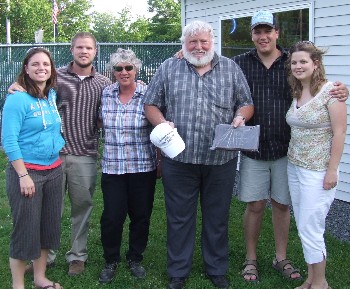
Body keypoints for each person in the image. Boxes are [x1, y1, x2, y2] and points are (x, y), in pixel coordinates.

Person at [232, 10, 349, 283]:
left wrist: (343, 91)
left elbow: (320, 89)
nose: (262, 36)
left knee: (282, 205)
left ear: (276, 33)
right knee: (255, 205)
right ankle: (251, 259)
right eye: (257, 32)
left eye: (267, 31)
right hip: (254, 149)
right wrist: (182, 53)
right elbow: (209, 63)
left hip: (288, 152)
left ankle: (281, 257)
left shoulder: (292, 62)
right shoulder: (239, 63)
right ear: (252, 35)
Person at [144, 20, 254, 289]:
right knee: (179, 217)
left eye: (203, 41)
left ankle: (216, 268)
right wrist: (161, 122)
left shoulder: (230, 68)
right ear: (184, 44)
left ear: (212, 42)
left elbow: (246, 103)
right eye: (193, 42)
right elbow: (151, 103)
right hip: (179, 160)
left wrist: (240, 117)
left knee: (217, 217)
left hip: (221, 160)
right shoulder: (169, 67)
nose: (198, 46)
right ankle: (178, 271)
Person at [8, 32, 112, 276]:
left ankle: (77, 256)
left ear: (95, 51)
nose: (83, 51)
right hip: (52, 155)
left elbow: (124, 91)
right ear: (71, 49)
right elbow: (32, 86)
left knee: (81, 207)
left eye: (88, 48)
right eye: (79, 47)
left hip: (84, 154)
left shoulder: (104, 84)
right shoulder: (56, 77)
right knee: (49, 209)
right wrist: (17, 85)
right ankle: (46, 256)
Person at [2, 47, 64, 289]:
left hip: (54, 170)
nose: (41, 68)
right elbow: (9, 140)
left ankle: (39, 278)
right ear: (26, 69)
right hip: (28, 173)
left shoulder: (50, 96)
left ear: (51, 69)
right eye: (35, 64)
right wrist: (23, 175)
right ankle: (18, 285)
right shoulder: (17, 99)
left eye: (46, 64)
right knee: (25, 230)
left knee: (47, 228)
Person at [286, 41, 346, 289]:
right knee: (303, 224)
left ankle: (321, 283)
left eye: (303, 61)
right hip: (295, 166)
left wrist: (332, 170)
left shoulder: (332, 92)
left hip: (318, 171)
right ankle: (311, 279)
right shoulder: (298, 90)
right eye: (294, 62)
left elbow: (340, 132)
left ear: (315, 63)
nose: (298, 66)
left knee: (312, 227)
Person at [97, 48, 159, 284]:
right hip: (113, 167)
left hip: (142, 167)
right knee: (112, 217)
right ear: (113, 71)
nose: (124, 72)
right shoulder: (105, 93)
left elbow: (159, 128)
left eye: (128, 67)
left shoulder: (148, 94)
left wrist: (161, 160)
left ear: (136, 69)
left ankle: (135, 257)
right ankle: (111, 259)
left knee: (141, 216)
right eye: (118, 68)